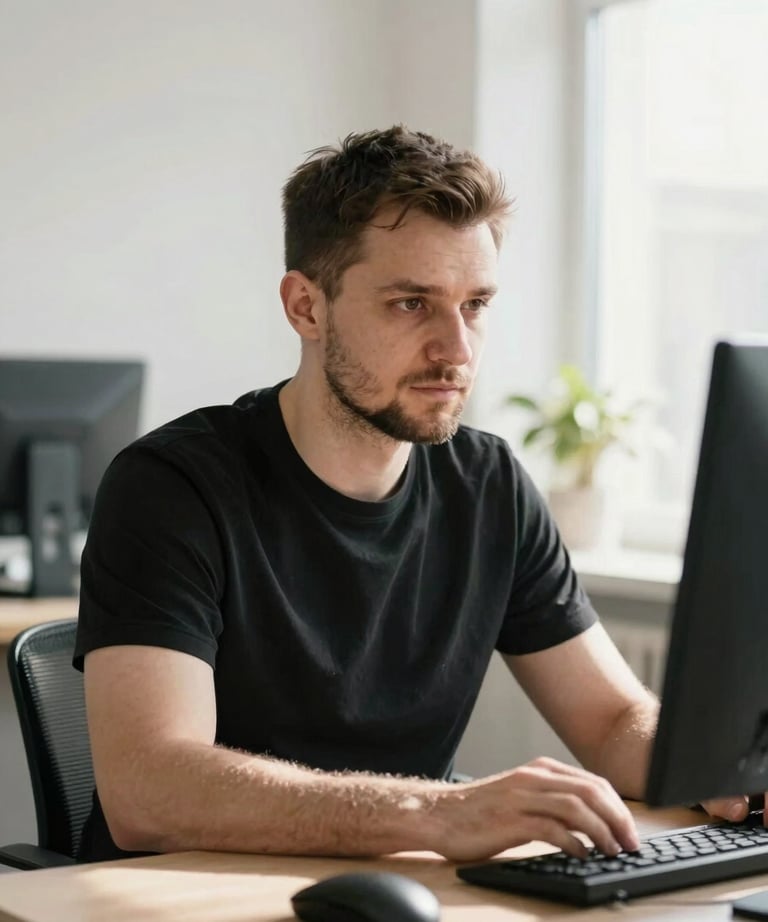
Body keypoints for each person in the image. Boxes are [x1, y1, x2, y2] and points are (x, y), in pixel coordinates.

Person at [73, 125, 747, 864]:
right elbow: (150, 791)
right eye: (410, 304)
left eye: (476, 305)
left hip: (399, 890)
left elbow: (615, 719)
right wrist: (437, 812)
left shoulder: (489, 486)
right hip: (185, 898)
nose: (457, 349)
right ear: (306, 307)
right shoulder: (172, 487)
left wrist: (725, 771)